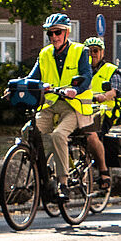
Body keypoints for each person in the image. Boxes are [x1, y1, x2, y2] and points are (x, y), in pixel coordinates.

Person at [21, 13, 93, 198]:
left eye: (58, 32)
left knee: (58, 135)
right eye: (50, 34)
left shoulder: (80, 51)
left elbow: (86, 76)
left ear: (67, 32)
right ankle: (42, 174)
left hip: (74, 106)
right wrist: (16, 87)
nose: (54, 37)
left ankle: (63, 183)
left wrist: (75, 90)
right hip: (51, 105)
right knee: (27, 131)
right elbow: (32, 77)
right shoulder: (45, 54)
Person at [82, 36, 121, 191]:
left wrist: (104, 96)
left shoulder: (110, 70)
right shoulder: (81, 69)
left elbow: (116, 90)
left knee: (95, 137)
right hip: (83, 110)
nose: (92, 54)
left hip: (104, 113)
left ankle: (103, 172)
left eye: (96, 51)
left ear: (102, 52)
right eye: (89, 52)